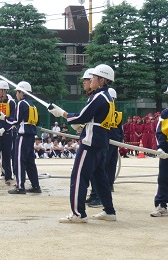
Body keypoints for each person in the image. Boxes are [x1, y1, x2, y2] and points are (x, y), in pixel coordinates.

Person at [48, 64, 117, 223]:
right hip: (100, 142)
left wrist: (62, 114)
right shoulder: (106, 97)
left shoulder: (99, 97)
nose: (90, 79)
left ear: (102, 80)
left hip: (90, 142)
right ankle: (109, 211)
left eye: (94, 77)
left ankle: (78, 213)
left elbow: (81, 116)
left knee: (79, 176)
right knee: (100, 179)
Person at [0, 81, 41, 194]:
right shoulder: (32, 105)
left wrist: (4, 118)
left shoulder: (21, 103)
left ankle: (20, 187)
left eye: (17, 92)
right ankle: (36, 186)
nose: (16, 94)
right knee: (30, 161)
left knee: (19, 161)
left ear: (22, 93)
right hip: (31, 135)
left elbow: (15, 120)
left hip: (22, 135)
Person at [150, 80, 168, 217]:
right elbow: (160, 131)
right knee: (164, 179)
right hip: (167, 151)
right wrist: (160, 147)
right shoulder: (166, 113)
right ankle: (161, 206)